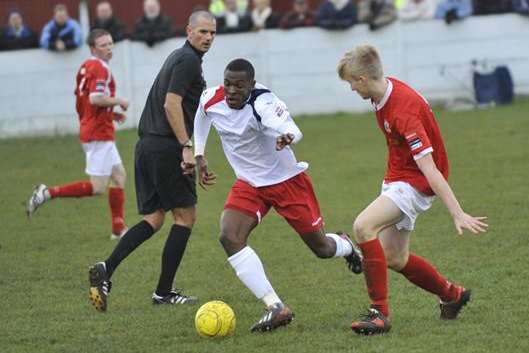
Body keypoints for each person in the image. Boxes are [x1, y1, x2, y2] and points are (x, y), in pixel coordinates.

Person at [193, 58, 364, 332]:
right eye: (228, 84)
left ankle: (345, 245)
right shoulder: (211, 98)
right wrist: (199, 154)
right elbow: (202, 115)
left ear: (252, 84)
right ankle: (276, 306)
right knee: (229, 236)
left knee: (322, 249)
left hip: (286, 182)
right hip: (249, 184)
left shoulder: (264, 103)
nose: (232, 90)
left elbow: (293, 129)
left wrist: (288, 137)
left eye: (239, 85)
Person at [337, 45, 488, 335]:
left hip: (414, 182)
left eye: (351, 83)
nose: (351, 89)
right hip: (398, 176)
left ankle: (379, 313)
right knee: (394, 257)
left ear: (364, 79)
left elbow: (430, 169)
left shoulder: (404, 111)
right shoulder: (383, 90)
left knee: (363, 226)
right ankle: (452, 295)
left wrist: (457, 212)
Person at [87, 11, 217, 313]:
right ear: (189, 31)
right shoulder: (187, 61)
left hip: (147, 146)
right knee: (185, 218)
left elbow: (179, 107)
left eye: (212, 32)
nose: (208, 37)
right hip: (165, 148)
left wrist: (193, 149)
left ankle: (106, 269)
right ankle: (163, 292)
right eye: (202, 32)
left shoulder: (178, 57)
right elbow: (171, 104)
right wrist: (186, 147)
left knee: (154, 218)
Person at [27, 29, 129, 240]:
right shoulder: (100, 68)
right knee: (98, 187)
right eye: (103, 45)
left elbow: (83, 103)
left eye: (111, 43)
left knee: (119, 176)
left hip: (94, 128)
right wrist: (119, 101)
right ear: (93, 48)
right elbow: (95, 98)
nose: (109, 48)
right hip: (98, 134)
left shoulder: (85, 66)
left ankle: (118, 229)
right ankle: (47, 193)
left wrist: (110, 115)